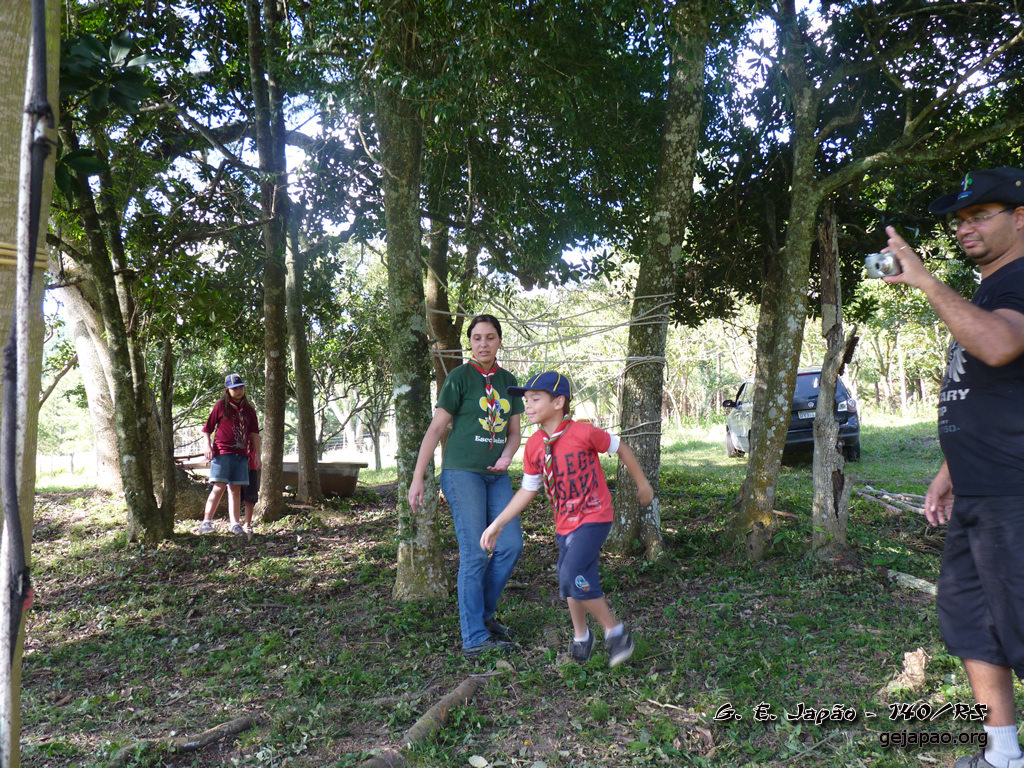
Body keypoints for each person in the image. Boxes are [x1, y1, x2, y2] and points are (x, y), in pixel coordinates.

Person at [885, 167, 1024, 768]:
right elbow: (985, 393)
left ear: (1021, 218)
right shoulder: (985, 292)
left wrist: (925, 281)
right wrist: (948, 471)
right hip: (975, 492)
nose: (966, 227)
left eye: (981, 215)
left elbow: (998, 346)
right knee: (972, 624)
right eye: (961, 220)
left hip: (1015, 494)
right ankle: (1003, 755)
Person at [479, 371, 654, 667]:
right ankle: (581, 636)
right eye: (526, 400)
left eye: (535, 399)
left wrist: (643, 484)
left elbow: (621, 448)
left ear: (559, 402)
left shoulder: (584, 433)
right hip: (565, 524)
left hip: (595, 515)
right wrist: (498, 523)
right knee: (573, 576)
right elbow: (528, 490)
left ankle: (616, 633)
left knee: (571, 574)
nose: (527, 405)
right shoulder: (535, 446)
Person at [408, 315, 525, 656]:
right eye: (476, 338)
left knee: (510, 545)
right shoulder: (459, 378)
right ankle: (474, 637)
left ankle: (483, 616)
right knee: (474, 552)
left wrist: (507, 456)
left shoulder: (509, 381)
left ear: (499, 340)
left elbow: (514, 432)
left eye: (490, 337)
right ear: (470, 342)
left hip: (497, 475)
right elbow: (435, 429)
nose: (483, 343)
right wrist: (418, 477)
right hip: (462, 474)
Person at [197, 374, 262, 537]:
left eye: (241, 388)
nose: (239, 391)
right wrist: (207, 445)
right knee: (219, 486)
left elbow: (254, 433)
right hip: (223, 452)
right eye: (235, 388)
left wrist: (257, 454)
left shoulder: (249, 410)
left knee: (235, 489)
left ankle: (235, 524)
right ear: (228, 390)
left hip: (242, 454)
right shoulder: (221, 406)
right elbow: (207, 429)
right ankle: (206, 522)